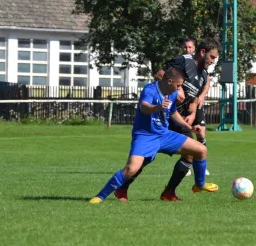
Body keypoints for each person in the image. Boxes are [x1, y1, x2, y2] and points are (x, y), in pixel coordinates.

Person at [89, 67, 218, 204]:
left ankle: (199, 184)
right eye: (178, 85)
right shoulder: (150, 90)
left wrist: (188, 127)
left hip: (164, 135)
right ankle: (100, 196)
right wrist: (157, 107)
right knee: (131, 168)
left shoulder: (172, 93)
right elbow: (144, 107)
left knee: (201, 150)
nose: (180, 89)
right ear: (169, 81)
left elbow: (173, 112)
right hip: (146, 136)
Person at [115, 38, 221, 201]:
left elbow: (193, 100)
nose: (213, 61)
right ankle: (122, 188)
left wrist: (192, 114)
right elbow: (160, 75)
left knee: (191, 155)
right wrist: (176, 91)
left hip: (177, 118)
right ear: (202, 52)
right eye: (212, 57)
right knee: (145, 157)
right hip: (162, 116)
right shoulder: (183, 61)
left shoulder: (203, 75)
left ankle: (169, 192)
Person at [178, 37, 211, 178]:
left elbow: (207, 81)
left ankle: (202, 165)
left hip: (196, 103)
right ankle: (187, 163)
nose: (188, 50)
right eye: (185, 47)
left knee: (201, 131)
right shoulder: (184, 62)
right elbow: (164, 75)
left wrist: (202, 95)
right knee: (187, 133)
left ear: (195, 48)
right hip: (183, 105)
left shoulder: (201, 66)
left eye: (190, 47)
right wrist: (178, 87)